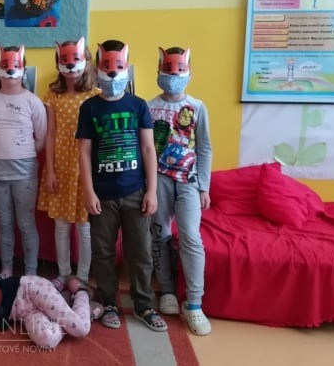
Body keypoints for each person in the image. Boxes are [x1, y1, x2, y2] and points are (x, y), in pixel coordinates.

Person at [76, 40, 165, 331]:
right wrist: (88, 191)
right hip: (102, 196)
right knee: (103, 253)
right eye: (106, 66)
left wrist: (151, 191)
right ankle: (108, 301)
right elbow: (84, 152)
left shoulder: (138, 105)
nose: (112, 72)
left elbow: (149, 149)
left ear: (126, 68)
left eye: (118, 66)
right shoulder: (89, 107)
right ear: (97, 69)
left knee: (140, 252)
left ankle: (143, 305)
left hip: (135, 193)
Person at [148, 46, 212, 336]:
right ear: (159, 71)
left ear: (189, 73)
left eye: (179, 70)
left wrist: (204, 186)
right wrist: (148, 186)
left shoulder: (197, 107)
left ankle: (195, 303)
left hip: (188, 181)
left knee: (191, 236)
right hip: (159, 180)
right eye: (168, 70)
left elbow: (204, 148)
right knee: (159, 233)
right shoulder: (149, 107)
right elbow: (145, 148)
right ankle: (167, 290)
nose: (173, 76)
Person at [0, 45, 47, 278]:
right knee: (5, 222)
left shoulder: (33, 102)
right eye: (5, 65)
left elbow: (41, 137)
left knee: (26, 223)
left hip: (24, 172)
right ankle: (6, 268)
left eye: (15, 65)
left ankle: (30, 272)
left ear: (23, 69)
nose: (10, 70)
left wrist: (22, 154)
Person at [37, 37, 99, 286]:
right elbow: (50, 133)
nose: (71, 65)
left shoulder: (95, 94)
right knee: (61, 226)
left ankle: (82, 277)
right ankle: (63, 273)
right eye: (65, 60)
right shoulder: (53, 94)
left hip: (85, 168)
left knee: (85, 227)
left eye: (76, 59)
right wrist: (50, 170)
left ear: (86, 60)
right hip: (61, 166)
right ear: (58, 63)